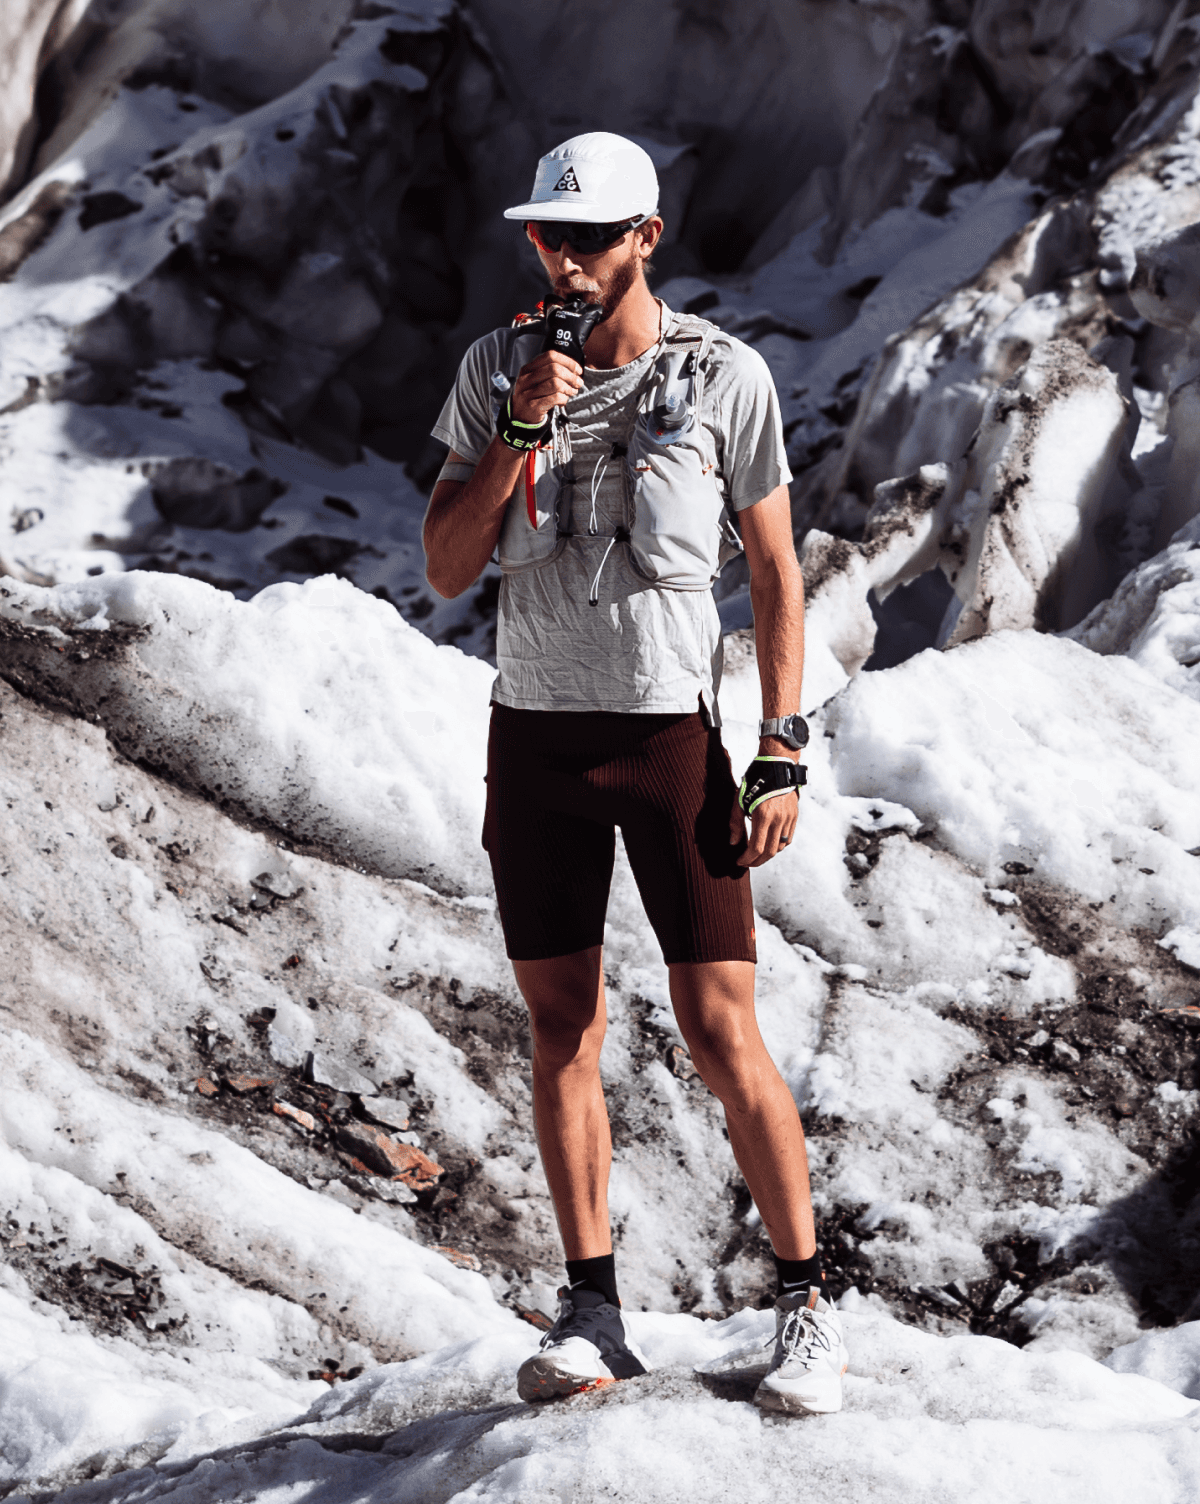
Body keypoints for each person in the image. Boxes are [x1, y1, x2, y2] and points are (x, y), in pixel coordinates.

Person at [423, 132, 847, 1415]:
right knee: (563, 1026)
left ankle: (809, 1302)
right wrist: (514, 430)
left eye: (592, 237)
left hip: (667, 739)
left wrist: (781, 745)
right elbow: (446, 563)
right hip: (534, 736)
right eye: (549, 234)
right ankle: (592, 1309)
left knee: (723, 1029)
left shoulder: (725, 376)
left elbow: (775, 576)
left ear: (646, 238)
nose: (565, 258)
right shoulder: (497, 367)